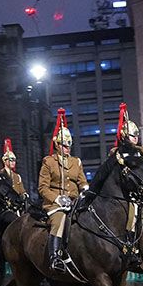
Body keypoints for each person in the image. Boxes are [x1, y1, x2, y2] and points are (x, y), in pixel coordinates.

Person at [38, 108, 88, 273]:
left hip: (74, 201)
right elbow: (42, 188)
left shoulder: (76, 162)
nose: (68, 147)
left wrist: (86, 191)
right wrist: (57, 199)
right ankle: (55, 257)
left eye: (69, 144)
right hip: (55, 204)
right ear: (57, 145)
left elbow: (82, 182)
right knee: (59, 220)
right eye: (64, 145)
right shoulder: (49, 162)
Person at [108, 103, 143, 265]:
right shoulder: (116, 153)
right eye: (132, 135)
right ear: (124, 136)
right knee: (133, 209)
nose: (136, 138)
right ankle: (130, 245)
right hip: (125, 193)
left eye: (137, 135)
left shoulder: (141, 151)